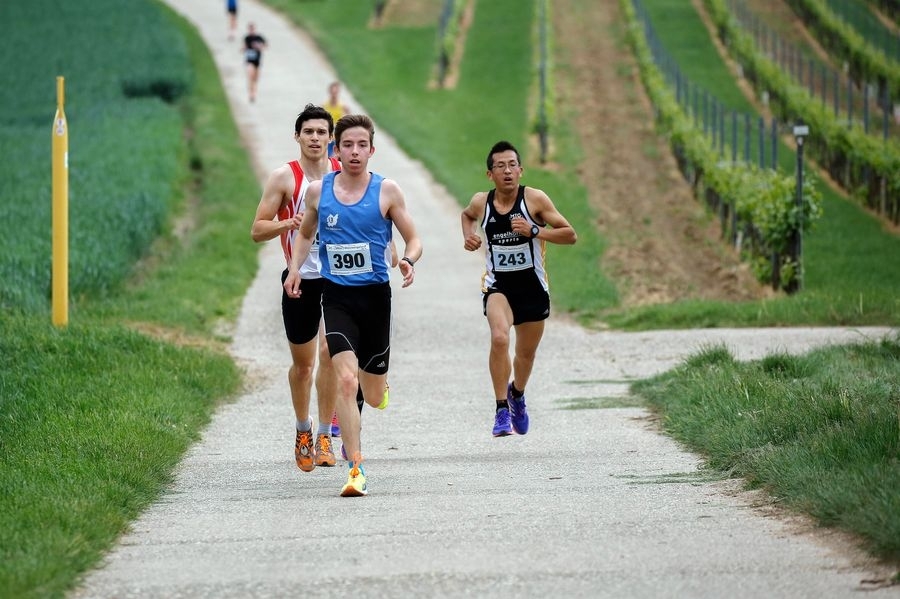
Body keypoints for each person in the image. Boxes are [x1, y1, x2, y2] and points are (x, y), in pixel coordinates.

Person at [284, 114, 423, 497]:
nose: (355, 152)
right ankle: (356, 469)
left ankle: (378, 386)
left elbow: (413, 238)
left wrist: (409, 259)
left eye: (362, 145)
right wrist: (295, 269)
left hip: (376, 298)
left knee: (373, 394)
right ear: (336, 149)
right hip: (337, 297)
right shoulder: (318, 191)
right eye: (348, 145)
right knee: (345, 379)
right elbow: (305, 234)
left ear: (372, 150)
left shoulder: (387, 191)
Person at [460, 140, 577, 437]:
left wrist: (534, 230)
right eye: (500, 166)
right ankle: (501, 409)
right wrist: (469, 236)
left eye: (512, 165)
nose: (507, 171)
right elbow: (467, 215)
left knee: (525, 355)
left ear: (521, 170)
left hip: (533, 288)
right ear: (490, 175)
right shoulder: (481, 202)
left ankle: (518, 395)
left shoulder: (535, 200)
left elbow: (569, 234)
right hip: (498, 286)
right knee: (499, 338)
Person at [251, 104, 341, 473]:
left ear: (331, 138)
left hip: (339, 280)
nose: (316, 138)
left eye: (322, 132)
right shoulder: (284, 178)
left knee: (331, 351)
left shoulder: (344, 174)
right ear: (297, 136)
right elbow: (257, 230)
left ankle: (324, 434)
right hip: (299, 278)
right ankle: (303, 429)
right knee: (304, 367)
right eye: (309, 132)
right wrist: (289, 223)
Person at [323, 81, 349, 158]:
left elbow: (350, 121)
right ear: (330, 92)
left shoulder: (343, 107)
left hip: (337, 137)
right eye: (332, 92)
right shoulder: (324, 106)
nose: (334, 94)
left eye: (336, 92)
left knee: (334, 158)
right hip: (327, 137)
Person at [242, 22, 267, 103]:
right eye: (250, 29)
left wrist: (259, 47)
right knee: (250, 76)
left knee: (255, 79)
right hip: (249, 61)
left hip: (257, 61)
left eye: (252, 29)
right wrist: (244, 49)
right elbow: (244, 47)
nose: (251, 30)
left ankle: (254, 93)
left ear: (254, 29)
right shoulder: (247, 38)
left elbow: (265, 46)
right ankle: (251, 94)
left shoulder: (259, 37)